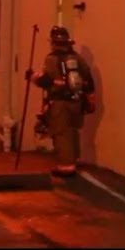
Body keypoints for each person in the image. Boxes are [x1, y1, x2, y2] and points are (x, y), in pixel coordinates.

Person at [25, 26, 95, 177]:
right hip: (76, 102)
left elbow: (46, 81)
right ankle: (74, 159)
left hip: (59, 103)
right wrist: (89, 97)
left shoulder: (51, 59)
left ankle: (66, 166)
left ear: (54, 42)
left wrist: (32, 77)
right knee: (72, 130)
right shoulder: (76, 58)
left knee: (61, 133)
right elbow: (88, 78)